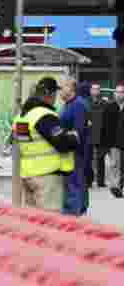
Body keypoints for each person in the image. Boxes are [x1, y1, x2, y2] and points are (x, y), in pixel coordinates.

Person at [12, 77, 78, 213]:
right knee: (50, 222)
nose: (55, 98)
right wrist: (74, 137)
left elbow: (25, 144)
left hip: (28, 175)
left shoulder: (22, 117)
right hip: (46, 177)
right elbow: (62, 143)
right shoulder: (44, 115)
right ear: (50, 95)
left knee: (34, 222)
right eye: (54, 94)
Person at [59, 78, 89, 216]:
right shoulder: (67, 104)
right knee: (72, 183)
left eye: (63, 87)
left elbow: (79, 131)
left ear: (71, 89)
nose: (60, 90)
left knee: (74, 183)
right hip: (68, 151)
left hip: (75, 151)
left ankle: (74, 213)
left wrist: (62, 136)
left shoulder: (78, 104)